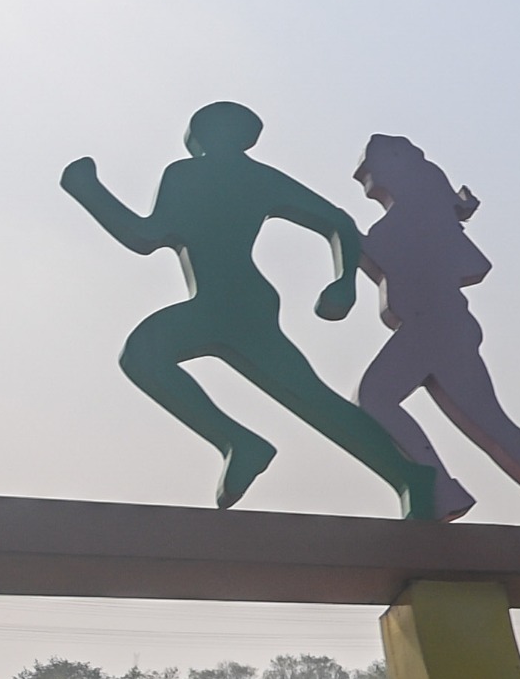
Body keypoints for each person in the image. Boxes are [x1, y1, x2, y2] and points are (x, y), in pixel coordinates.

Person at [61, 104, 439, 518]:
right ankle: (242, 443)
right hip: (226, 301)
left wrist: (89, 191)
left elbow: (146, 235)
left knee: (308, 399)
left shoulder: (201, 176)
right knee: (150, 357)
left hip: (238, 304)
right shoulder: (227, 177)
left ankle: (405, 476)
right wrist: (343, 281)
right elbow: (338, 223)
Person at [351, 135, 520, 530]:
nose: (364, 174)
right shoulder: (414, 218)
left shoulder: (417, 218)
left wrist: (358, 241)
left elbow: (471, 265)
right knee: (487, 423)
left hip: (437, 328)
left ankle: (444, 489)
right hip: (432, 327)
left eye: (373, 164)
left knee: (378, 398)